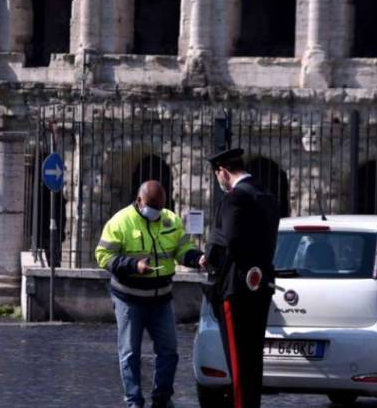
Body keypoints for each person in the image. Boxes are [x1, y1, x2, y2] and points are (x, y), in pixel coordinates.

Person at [95, 180, 205, 408]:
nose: (156, 212)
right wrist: (133, 265)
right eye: (151, 206)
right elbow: (103, 255)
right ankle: (134, 402)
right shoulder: (120, 222)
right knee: (130, 355)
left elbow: (181, 250)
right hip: (129, 299)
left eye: (160, 207)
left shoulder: (170, 219)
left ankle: (162, 398)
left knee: (169, 352)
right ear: (139, 201)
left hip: (161, 300)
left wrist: (197, 259)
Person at [203, 148, 280, 408]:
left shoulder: (234, 198)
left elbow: (231, 241)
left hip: (235, 286)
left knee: (237, 362)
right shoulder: (266, 195)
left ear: (223, 172)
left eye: (218, 176)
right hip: (259, 284)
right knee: (252, 360)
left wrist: (211, 258)